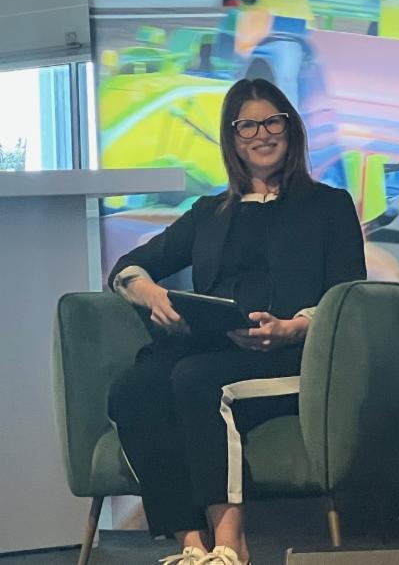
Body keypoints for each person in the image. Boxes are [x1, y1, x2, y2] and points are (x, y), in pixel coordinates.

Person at [106, 79, 366, 565]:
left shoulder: (329, 206)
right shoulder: (209, 212)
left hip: (293, 355)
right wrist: (153, 294)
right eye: (247, 126)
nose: (261, 134)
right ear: (232, 138)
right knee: (134, 387)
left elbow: (348, 295)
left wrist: (293, 327)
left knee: (197, 380)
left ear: (290, 129)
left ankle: (232, 547)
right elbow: (127, 269)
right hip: (215, 346)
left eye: (272, 122)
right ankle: (192, 545)